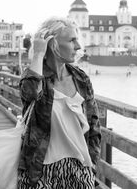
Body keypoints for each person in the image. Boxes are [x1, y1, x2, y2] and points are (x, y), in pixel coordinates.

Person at [18, 17, 101, 189]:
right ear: (52, 44)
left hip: (80, 172)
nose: (78, 46)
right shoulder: (34, 77)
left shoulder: (81, 78)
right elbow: (31, 93)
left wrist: (92, 164)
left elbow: (94, 126)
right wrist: (39, 54)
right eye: (72, 40)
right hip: (40, 172)